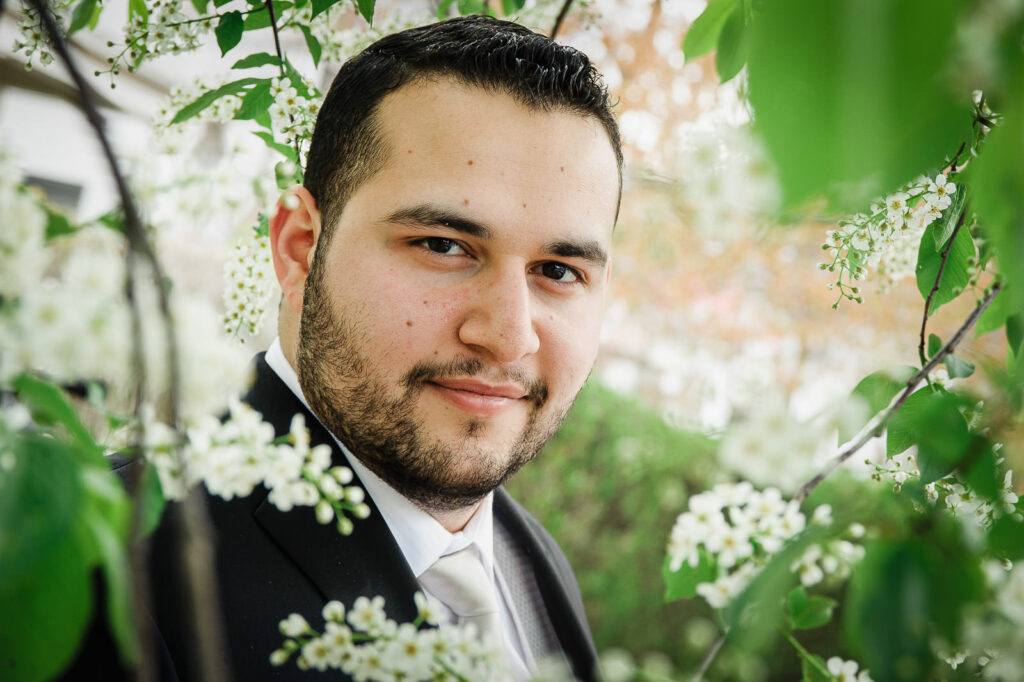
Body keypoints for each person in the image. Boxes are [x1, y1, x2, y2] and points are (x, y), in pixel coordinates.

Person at [69, 15, 622, 682]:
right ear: (300, 247)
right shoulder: (100, 560)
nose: (509, 334)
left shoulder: (532, 562)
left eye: (559, 271)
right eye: (444, 246)